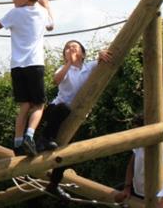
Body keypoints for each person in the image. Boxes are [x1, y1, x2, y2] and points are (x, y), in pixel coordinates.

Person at [0, 0, 54, 157]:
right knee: (39, 105)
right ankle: (29, 136)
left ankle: (17, 142)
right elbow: (51, 26)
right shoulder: (41, 11)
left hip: (17, 66)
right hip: (35, 64)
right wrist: (46, 5)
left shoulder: (14, 13)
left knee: (25, 105)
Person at [38, 40, 112, 197]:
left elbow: (101, 60)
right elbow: (56, 80)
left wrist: (101, 53)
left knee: (68, 150)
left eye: (74, 47)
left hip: (75, 116)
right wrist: (68, 64)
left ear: (83, 54)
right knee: (62, 108)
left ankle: (54, 183)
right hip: (57, 111)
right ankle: (44, 139)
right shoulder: (64, 69)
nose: (70, 49)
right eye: (67, 48)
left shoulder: (88, 67)